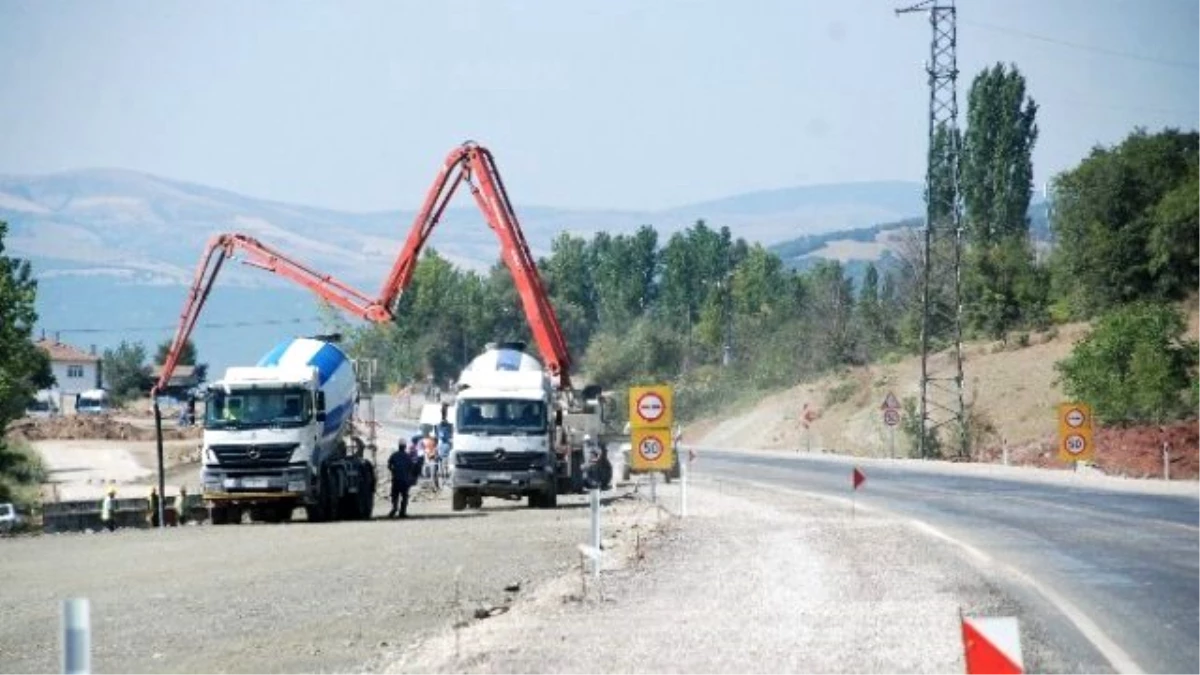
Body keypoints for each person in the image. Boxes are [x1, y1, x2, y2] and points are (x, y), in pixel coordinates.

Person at [387, 440, 413, 518]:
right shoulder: (407, 456)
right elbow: (410, 467)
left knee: (395, 495)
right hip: (404, 479)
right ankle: (402, 512)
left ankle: (394, 508)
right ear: (405, 447)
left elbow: (389, 465)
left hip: (396, 479)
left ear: (399, 447)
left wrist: (393, 471)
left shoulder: (394, 455)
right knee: (404, 496)